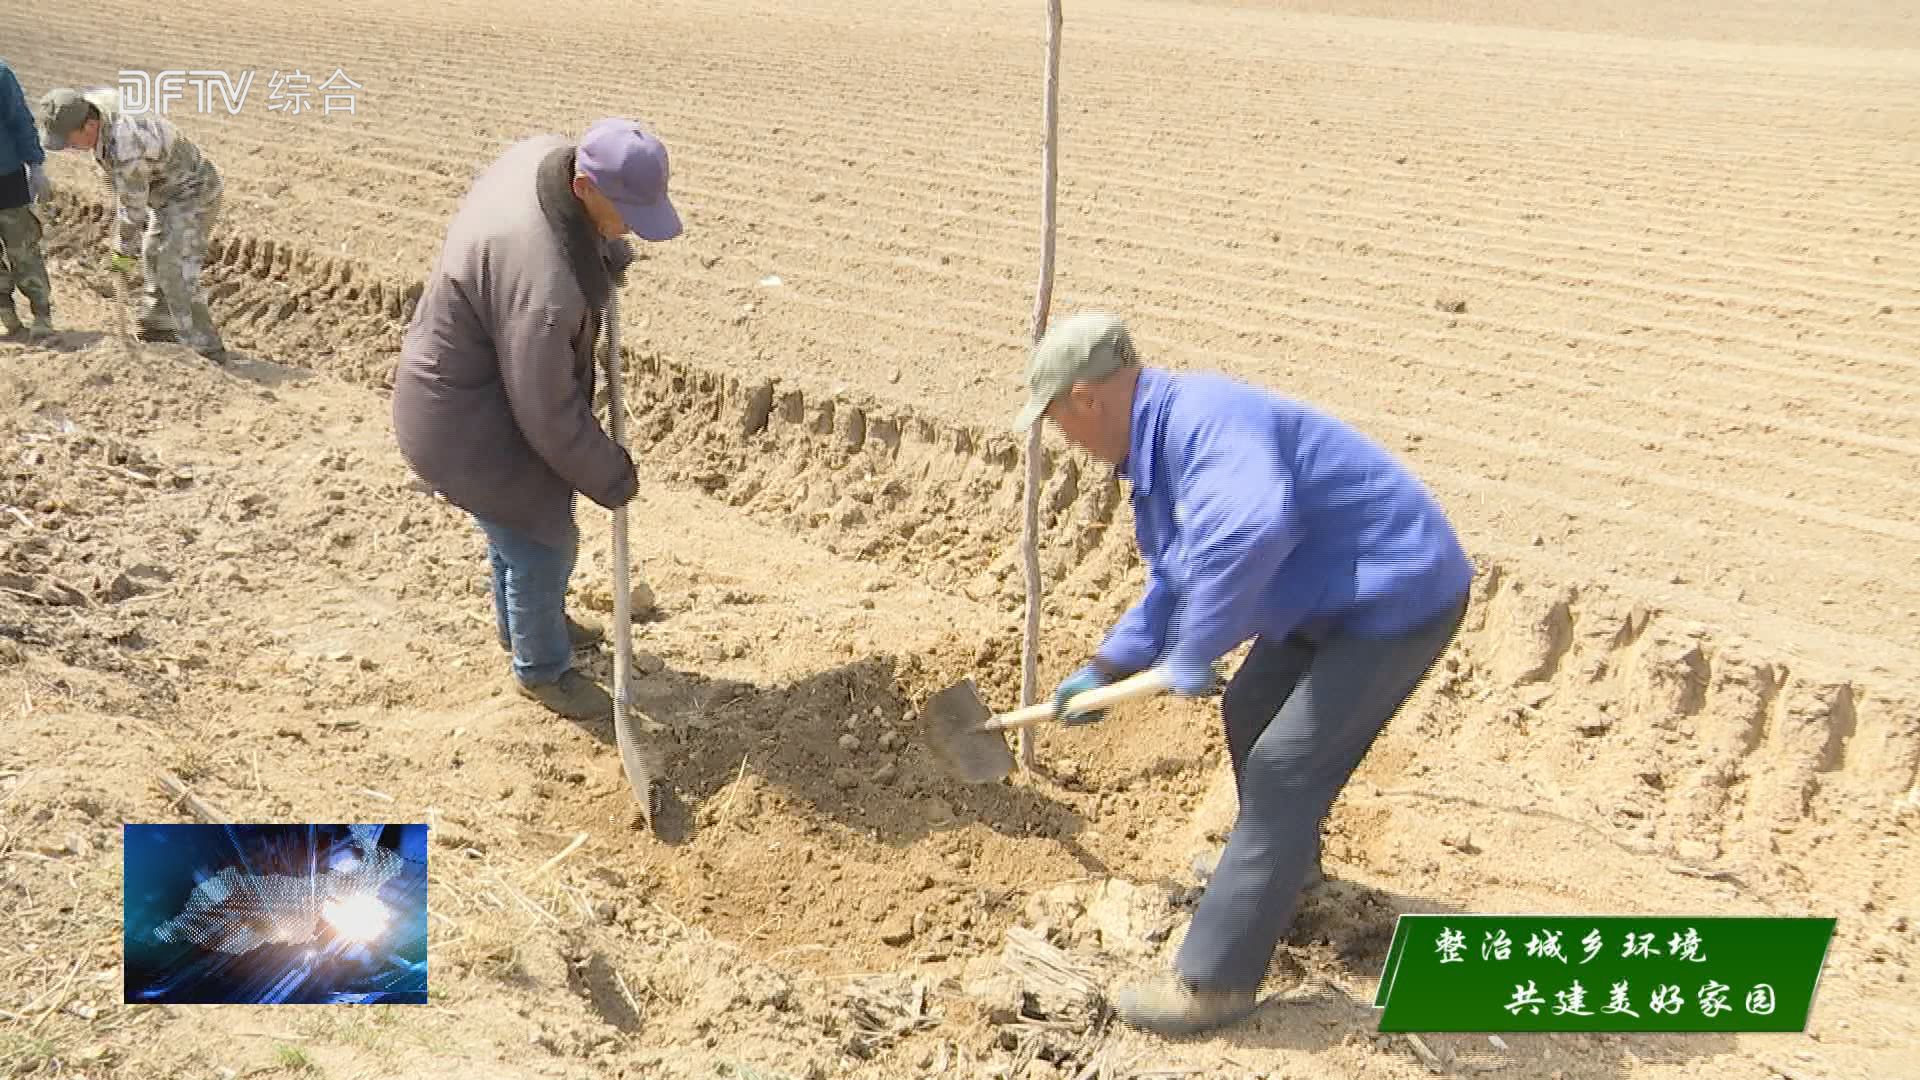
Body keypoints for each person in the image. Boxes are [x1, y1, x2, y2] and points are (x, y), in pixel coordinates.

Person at [1014, 312, 1473, 1037]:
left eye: (1060, 422)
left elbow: (1255, 527)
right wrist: (1107, 666)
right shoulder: (1158, 452)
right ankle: (1291, 874)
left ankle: (1215, 984)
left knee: (1288, 766)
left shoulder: (1203, 422)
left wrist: (1199, 646)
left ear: (1085, 399)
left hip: (1397, 593)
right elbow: (1175, 579)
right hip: (1325, 597)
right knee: (1252, 706)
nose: (1068, 441)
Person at [391, 118, 683, 721]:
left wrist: (608, 253)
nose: (631, 225)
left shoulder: (547, 155)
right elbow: (549, 414)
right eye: (624, 211)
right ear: (583, 188)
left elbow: (583, 243)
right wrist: (610, 474)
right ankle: (541, 670)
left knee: (514, 531)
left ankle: (525, 624)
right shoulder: (547, 293)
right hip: (461, 417)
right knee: (541, 539)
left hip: (471, 379)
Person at [37, 85, 224, 358]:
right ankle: (157, 327)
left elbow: (132, 215)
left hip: (194, 192)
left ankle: (206, 349)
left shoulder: (126, 146)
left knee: (175, 267)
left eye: (69, 140)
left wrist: (121, 261)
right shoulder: (90, 106)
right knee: (151, 254)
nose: (68, 147)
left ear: (89, 125)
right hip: (165, 194)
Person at [0, 59, 52, 340]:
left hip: (6, 178)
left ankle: (42, 314)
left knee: (24, 252)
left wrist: (36, 164)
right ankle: (6, 315)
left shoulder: (1, 74)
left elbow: (19, 119)